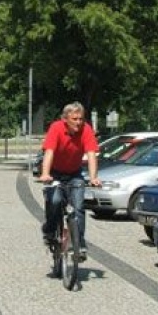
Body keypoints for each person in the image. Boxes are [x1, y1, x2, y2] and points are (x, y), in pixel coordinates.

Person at [39, 102, 101, 260]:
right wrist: (45, 174)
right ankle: (50, 231)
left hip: (74, 174)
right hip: (55, 173)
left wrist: (93, 177)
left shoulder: (86, 129)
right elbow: (49, 152)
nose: (79, 122)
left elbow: (92, 154)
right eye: (75, 119)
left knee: (79, 207)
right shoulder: (56, 128)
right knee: (55, 201)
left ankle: (79, 244)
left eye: (81, 118)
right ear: (65, 119)